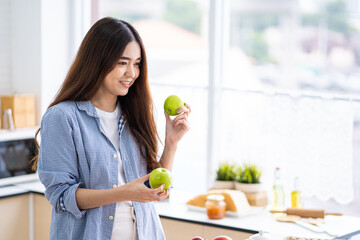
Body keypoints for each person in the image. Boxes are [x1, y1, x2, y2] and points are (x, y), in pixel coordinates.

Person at [31, 17, 191, 240]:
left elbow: (153, 188)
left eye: (136, 64)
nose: (132, 73)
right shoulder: (63, 117)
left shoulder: (135, 114)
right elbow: (61, 196)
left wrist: (172, 141)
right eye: (123, 63)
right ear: (98, 60)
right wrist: (123, 192)